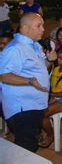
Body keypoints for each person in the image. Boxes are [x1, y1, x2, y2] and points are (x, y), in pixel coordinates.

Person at [0, 13, 56, 152]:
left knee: (29, 142)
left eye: (42, 25)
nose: (43, 29)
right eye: (38, 26)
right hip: (22, 107)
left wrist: (49, 60)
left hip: (34, 104)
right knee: (27, 146)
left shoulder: (34, 45)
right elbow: (4, 76)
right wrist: (29, 81)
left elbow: (41, 68)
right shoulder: (15, 48)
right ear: (25, 28)